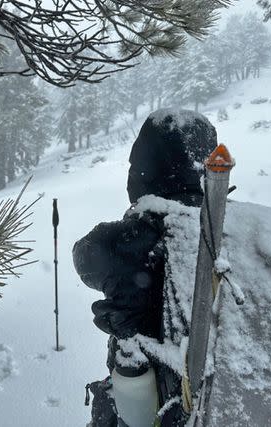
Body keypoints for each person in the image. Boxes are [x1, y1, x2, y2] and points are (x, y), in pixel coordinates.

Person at [73, 109, 217, 426]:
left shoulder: (127, 239)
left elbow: (83, 256)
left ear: (143, 165)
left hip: (149, 394)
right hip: (212, 399)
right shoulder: (224, 228)